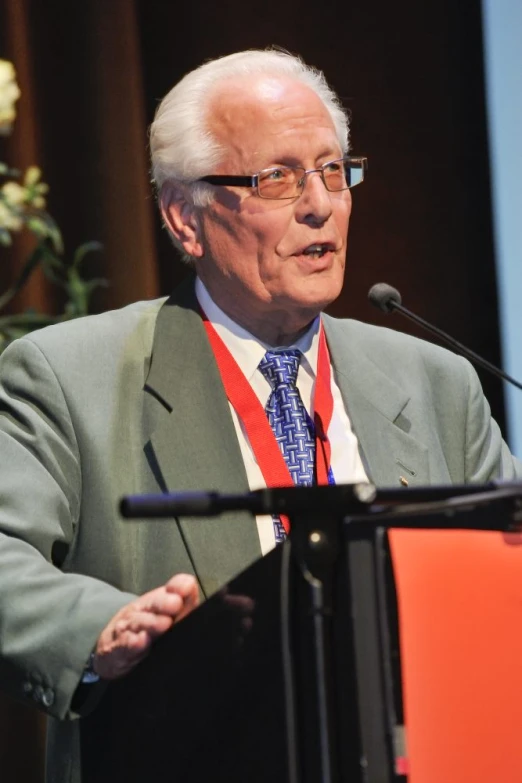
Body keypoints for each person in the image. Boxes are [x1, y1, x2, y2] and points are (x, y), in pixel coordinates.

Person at [0, 48, 520, 782]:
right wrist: (99, 630)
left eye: (334, 171)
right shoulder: (69, 376)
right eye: (277, 177)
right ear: (186, 218)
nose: (320, 204)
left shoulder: (435, 381)